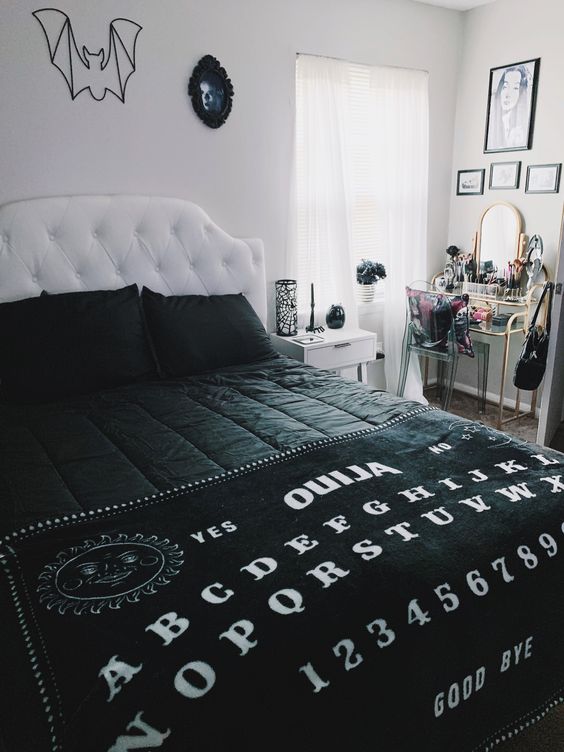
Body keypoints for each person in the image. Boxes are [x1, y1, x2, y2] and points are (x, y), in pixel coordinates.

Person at [486, 64, 531, 150]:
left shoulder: (521, 129)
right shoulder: (493, 122)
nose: (507, 95)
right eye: (505, 87)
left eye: (515, 88)